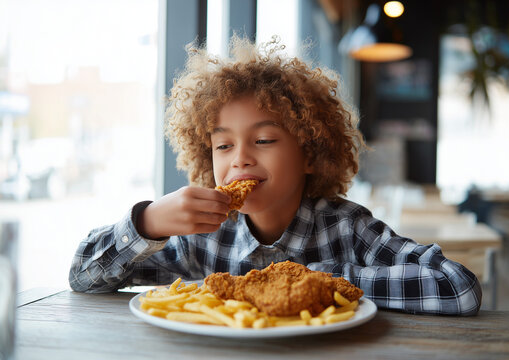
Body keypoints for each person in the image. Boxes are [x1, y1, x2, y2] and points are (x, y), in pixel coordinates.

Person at [69, 36, 481, 315]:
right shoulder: (203, 238)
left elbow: (457, 288)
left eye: (263, 140)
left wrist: (320, 284)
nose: (240, 159)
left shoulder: (346, 227)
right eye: (224, 146)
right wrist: (148, 222)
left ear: (309, 152)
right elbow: (82, 274)